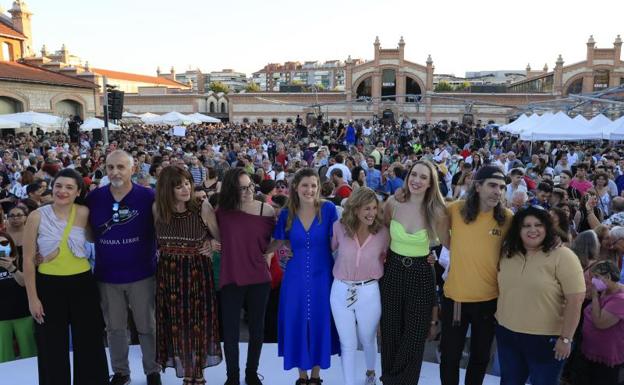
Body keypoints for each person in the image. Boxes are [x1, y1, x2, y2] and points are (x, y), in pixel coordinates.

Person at [23, 168, 109, 385]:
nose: (62, 191)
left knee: (89, 343)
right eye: (59, 186)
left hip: (83, 285)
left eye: (69, 187)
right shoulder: (36, 216)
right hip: (48, 286)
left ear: (78, 191)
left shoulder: (84, 212)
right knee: (51, 345)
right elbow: (27, 261)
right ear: (52, 187)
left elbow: (93, 236)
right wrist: (32, 299)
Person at [86, 150, 161, 385]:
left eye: (120, 167)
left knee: (147, 326)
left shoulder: (149, 196)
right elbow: (88, 233)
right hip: (107, 276)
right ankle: (121, 372)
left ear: (133, 168)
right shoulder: (95, 198)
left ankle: (153, 370)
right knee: (115, 328)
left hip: (142, 274)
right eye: (110, 167)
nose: (115, 172)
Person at [440, 165, 513, 385]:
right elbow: (441, 232)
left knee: (480, 358)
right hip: (456, 299)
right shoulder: (455, 209)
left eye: (501, 187)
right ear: (477, 186)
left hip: (489, 300)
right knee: (450, 357)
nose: (498, 191)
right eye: (492, 185)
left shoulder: (507, 218)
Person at [496, 206, 585, 385]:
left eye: (538, 224)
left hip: (546, 340)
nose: (533, 230)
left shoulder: (563, 256)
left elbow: (575, 300)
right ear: (517, 230)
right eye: (526, 225)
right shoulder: (507, 253)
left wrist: (566, 338)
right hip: (507, 334)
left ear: (547, 228)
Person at [153, 166, 222, 385]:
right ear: (166, 189)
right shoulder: (157, 209)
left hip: (196, 274)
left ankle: (197, 373)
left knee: (197, 324)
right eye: (178, 185)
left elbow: (221, 238)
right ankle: (187, 373)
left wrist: (212, 243)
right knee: (175, 324)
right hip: (168, 275)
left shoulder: (202, 207)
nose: (185, 188)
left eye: (187, 183)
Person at [271, 168, 339, 385]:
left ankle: (316, 376)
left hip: (323, 277)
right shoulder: (286, 213)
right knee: (297, 320)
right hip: (295, 277)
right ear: (296, 188)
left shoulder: (328, 210)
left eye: (313, 185)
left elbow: (338, 241)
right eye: (305, 185)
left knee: (320, 320)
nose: (310, 190)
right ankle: (302, 377)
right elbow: (278, 243)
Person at [382, 160, 447, 385]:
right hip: (393, 270)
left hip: (421, 272)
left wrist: (435, 258)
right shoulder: (392, 203)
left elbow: (449, 244)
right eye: (414, 175)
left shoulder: (437, 211)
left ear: (431, 184)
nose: (416, 180)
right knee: (390, 331)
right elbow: (381, 234)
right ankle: (389, 379)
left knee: (414, 335)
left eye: (423, 177)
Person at [212, 168, 276, 385]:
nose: (248, 191)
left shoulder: (266, 211)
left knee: (257, 330)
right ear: (231, 189)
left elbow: (273, 242)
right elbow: (213, 235)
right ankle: (233, 377)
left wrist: (268, 254)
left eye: (250, 186)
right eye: (242, 188)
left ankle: (251, 373)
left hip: (259, 278)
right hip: (231, 278)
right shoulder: (221, 212)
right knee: (230, 333)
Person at [330, 187, 389, 385]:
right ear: (355, 209)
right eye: (366, 208)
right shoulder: (339, 227)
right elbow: (327, 250)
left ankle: (370, 373)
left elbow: (389, 259)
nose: (372, 213)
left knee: (367, 338)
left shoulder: (383, 233)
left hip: (369, 291)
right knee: (347, 343)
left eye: (374, 208)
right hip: (340, 290)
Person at [580, 260, 624, 385]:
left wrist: (594, 296)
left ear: (608, 277)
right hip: (590, 352)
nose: (594, 281)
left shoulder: (620, 299)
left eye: (597, 277)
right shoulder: (605, 289)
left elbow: (599, 323)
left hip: (606, 358)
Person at [0, 231, 36, 363]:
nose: (1, 246)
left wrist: (11, 267)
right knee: (3, 357)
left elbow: (24, 283)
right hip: (1, 318)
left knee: (30, 353)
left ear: (11, 245)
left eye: (4, 243)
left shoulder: (21, 259)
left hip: (23, 314)